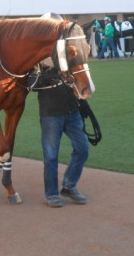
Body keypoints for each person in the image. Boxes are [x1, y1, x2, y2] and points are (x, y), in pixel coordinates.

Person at [38, 13, 89, 208]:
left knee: (83, 148)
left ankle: (69, 185)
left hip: (72, 109)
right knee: (51, 156)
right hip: (50, 112)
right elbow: (30, 83)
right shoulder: (38, 55)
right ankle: (51, 194)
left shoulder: (70, 50)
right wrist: (53, 73)